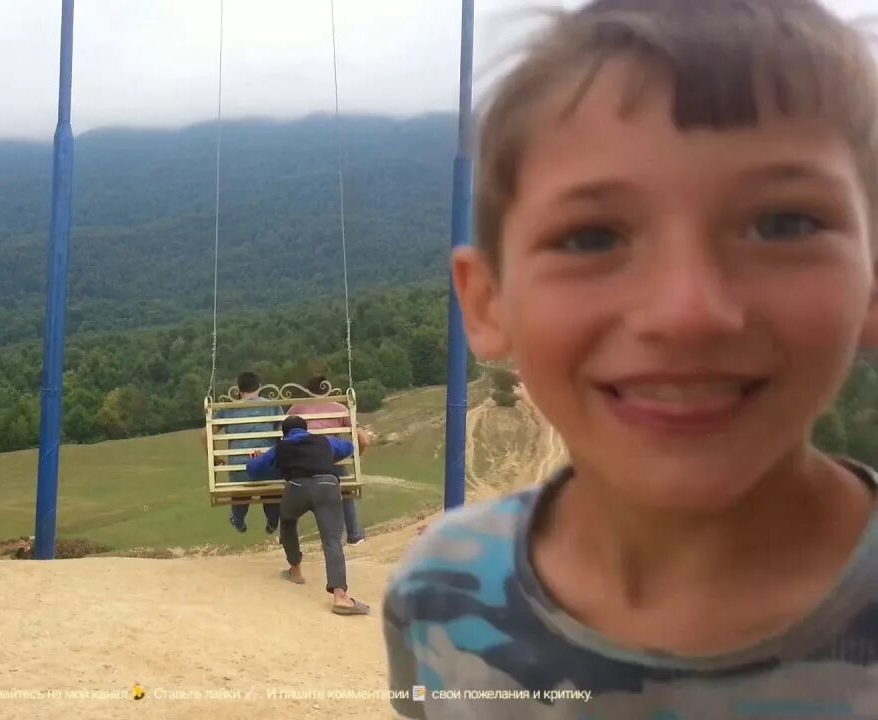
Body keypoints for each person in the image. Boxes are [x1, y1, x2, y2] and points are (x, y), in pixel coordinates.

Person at [384, 1, 878, 717]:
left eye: (784, 223)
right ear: (488, 304)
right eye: (591, 238)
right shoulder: (435, 594)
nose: (688, 312)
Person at [247, 416, 369, 615]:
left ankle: (295, 569)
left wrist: (254, 459)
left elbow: (253, 471)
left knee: (287, 521)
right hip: (328, 486)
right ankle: (340, 597)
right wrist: (324, 457)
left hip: (297, 489)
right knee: (332, 540)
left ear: (284, 434)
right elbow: (348, 448)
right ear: (306, 429)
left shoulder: (280, 448)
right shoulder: (324, 441)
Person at [287, 375, 371, 545]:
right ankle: (354, 533)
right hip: (329, 461)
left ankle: (291, 540)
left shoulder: (296, 408)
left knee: (291, 489)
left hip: (302, 462)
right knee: (345, 486)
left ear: (308, 391)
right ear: (327, 389)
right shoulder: (339, 408)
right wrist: (354, 458)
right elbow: (363, 440)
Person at [207, 371, 282, 534]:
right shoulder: (273, 406)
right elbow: (282, 436)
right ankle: (273, 522)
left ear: (239, 390)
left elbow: (205, 435)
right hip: (267, 468)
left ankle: (238, 520)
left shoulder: (228, 410)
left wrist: (214, 458)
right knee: (270, 487)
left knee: (241, 487)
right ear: (259, 387)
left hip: (239, 470)